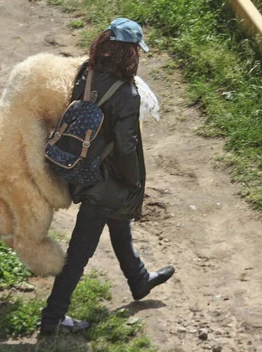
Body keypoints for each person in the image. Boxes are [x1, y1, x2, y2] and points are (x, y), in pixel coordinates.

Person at [40, 18, 175, 335]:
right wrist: (132, 183)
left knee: (119, 221)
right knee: (79, 254)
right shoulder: (127, 94)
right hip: (104, 179)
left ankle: (139, 280)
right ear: (129, 54)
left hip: (78, 167)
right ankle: (52, 318)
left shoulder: (87, 71)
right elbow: (127, 148)